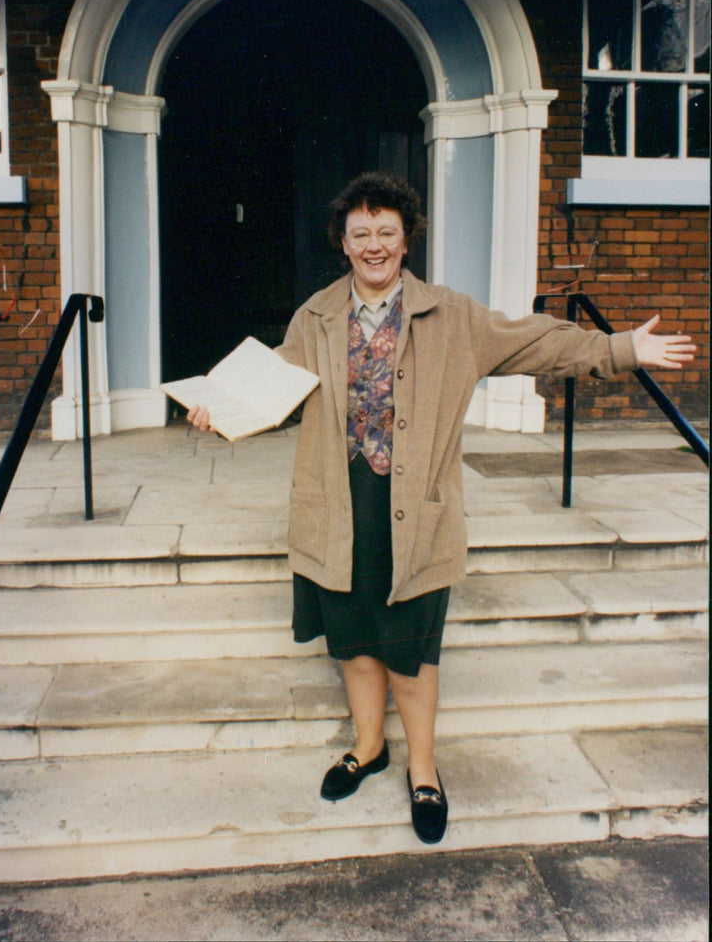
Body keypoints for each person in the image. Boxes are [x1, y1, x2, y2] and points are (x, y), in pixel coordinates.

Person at [188, 171, 696, 845]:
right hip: (335, 506)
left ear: (406, 241)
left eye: (387, 233)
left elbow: (534, 340)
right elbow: (274, 388)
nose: (374, 246)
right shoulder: (313, 317)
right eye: (360, 233)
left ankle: (422, 769)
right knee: (353, 640)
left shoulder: (452, 315)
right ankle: (369, 746)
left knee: (410, 653)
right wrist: (217, 411)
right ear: (344, 243)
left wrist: (620, 348)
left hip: (414, 512)